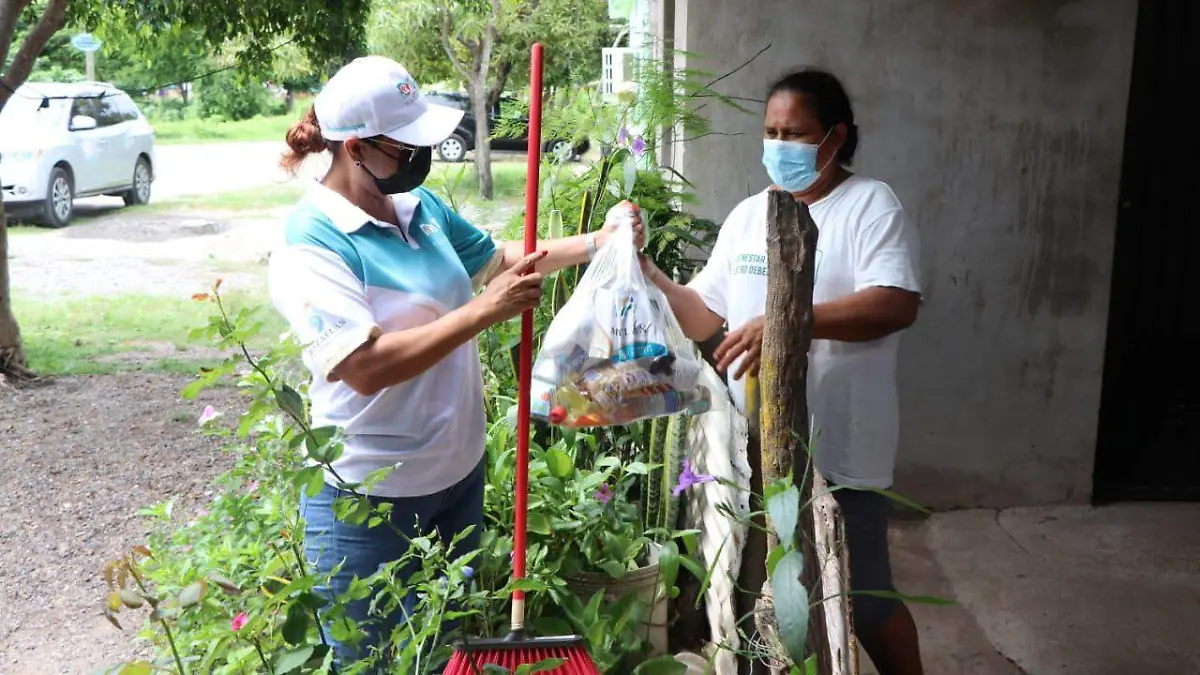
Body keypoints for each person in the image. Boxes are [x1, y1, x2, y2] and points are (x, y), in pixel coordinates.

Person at [266, 55, 643, 670]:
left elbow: (498, 262)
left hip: (456, 478)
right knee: (379, 662)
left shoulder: (420, 208)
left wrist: (602, 243)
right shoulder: (311, 243)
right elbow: (362, 366)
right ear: (355, 148)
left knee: (442, 651)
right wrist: (483, 313)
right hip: (370, 499)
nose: (423, 157)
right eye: (407, 144)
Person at [640, 69, 925, 675]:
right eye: (770, 132)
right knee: (770, 593)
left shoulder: (869, 205)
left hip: (842, 444)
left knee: (866, 598)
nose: (778, 146)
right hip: (757, 446)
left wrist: (790, 322)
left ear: (834, 137)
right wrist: (653, 277)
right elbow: (704, 313)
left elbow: (895, 302)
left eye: (794, 133)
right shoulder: (751, 214)